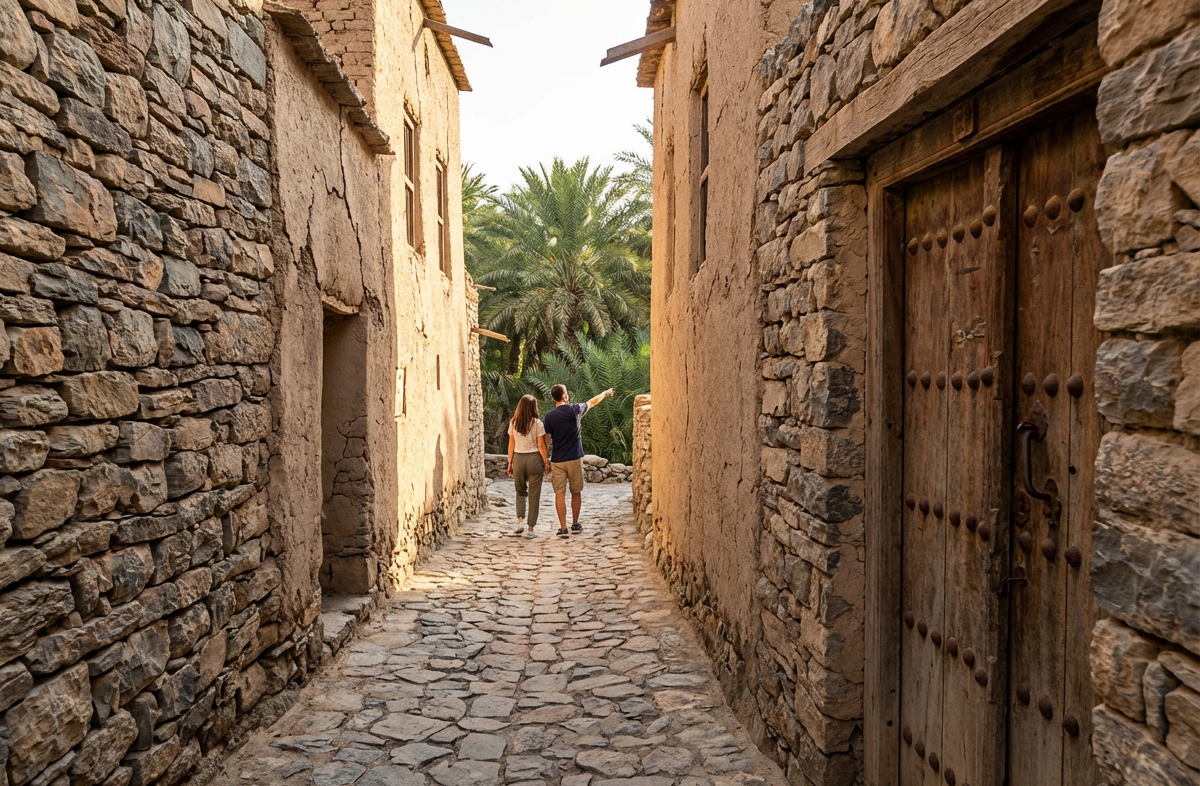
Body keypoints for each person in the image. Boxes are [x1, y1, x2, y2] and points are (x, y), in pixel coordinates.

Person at [542, 384, 614, 538]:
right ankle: (575, 524)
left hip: (558, 459)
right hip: (574, 457)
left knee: (559, 493)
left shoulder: (549, 416)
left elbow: (545, 441)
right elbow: (593, 402)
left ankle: (563, 527)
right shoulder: (575, 410)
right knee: (576, 491)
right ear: (564, 395)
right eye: (566, 392)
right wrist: (604, 393)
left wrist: (545, 461)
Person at [507, 395, 551, 537]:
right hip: (534, 459)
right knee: (534, 494)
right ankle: (530, 529)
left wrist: (510, 462)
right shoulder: (537, 423)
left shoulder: (513, 423)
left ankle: (520, 522)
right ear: (534, 407)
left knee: (520, 491)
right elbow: (541, 445)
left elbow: (511, 444)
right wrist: (545, 461)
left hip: (518, 459)